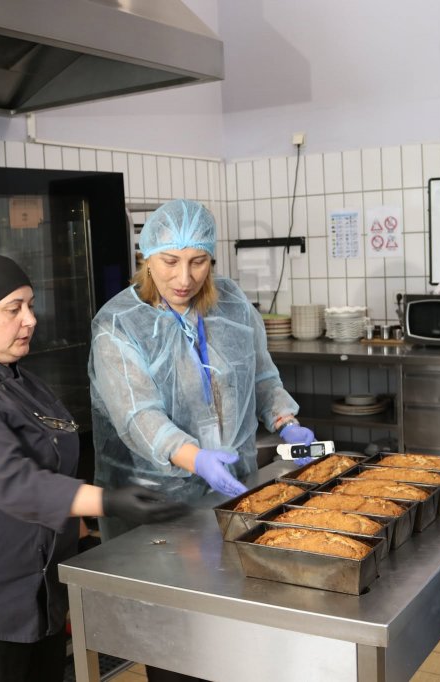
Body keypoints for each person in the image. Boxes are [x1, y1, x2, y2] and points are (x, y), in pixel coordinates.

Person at [0, 254, 187, 682]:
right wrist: (107, 501)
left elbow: (52, 457)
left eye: (31, 305)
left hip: (35, 591)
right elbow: (15, 482)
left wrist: (81, 528)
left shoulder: (18, 379)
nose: (31, 320)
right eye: (13, 309)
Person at [88, 199, 314, 682]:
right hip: (158, 508)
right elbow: (138, 416)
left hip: (233, 496)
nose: (184, 277)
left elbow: (261, 376)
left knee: (237, 632)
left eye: (198, 261)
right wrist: (195, 459)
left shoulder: (230, 303)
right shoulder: (119, 323)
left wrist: (285, 420)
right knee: (177, 647)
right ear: (147, 257)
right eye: (170, 261)